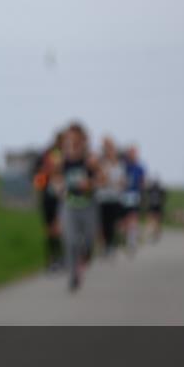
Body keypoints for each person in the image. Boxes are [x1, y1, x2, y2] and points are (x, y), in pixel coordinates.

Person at [52, 123, 99, 292]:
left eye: (75, 137)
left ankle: (86, 254)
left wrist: (90, 183)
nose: (72, 140)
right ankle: (73, 276)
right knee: (70, 241)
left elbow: (101, 179)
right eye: (68, 137)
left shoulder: (90, 159)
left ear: (82, 138)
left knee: (88, 239)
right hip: (69, 205)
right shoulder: (61, 159)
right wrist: (59, 187)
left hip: (88, 205)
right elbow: (55, 178)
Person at [33, 132, 65, 273]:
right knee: (51, 230)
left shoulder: (65, 155)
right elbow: (38, 179)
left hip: (60, 197)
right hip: (49, 196)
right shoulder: (48, 155)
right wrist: (44, 175)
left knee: (57, 229)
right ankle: (53, 259)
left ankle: (58, 258)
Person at [94, 136, 126, 257]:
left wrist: (118, 183)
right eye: (107, 149)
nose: (110, 152)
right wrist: (106, 180)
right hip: (102, 197)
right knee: (102, 223)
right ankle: (104, 246)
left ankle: (110, 245)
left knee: (112, 223)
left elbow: (122, 181)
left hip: (114, 197)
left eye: (111, 149)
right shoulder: (101, 163)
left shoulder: (119, 164)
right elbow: (100, 179)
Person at [121, 145, 146, 256]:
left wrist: (142, 194)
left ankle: (132, 240)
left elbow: (142, 182)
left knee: (133, 217)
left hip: (134, 195)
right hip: (123, 195)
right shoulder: (124, 166)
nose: (132, 155)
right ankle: (127, 238)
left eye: (134, 153)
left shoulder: (139, 167)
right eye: (131, 152)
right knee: (125, 219)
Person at [145, 177, 166, 242]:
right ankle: (155, 234)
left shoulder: (151, 189)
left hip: (153, 207)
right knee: (156, 222)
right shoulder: (160, 190)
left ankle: (154, 234)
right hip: (156, 207)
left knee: (153, 221)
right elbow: (164, 199)